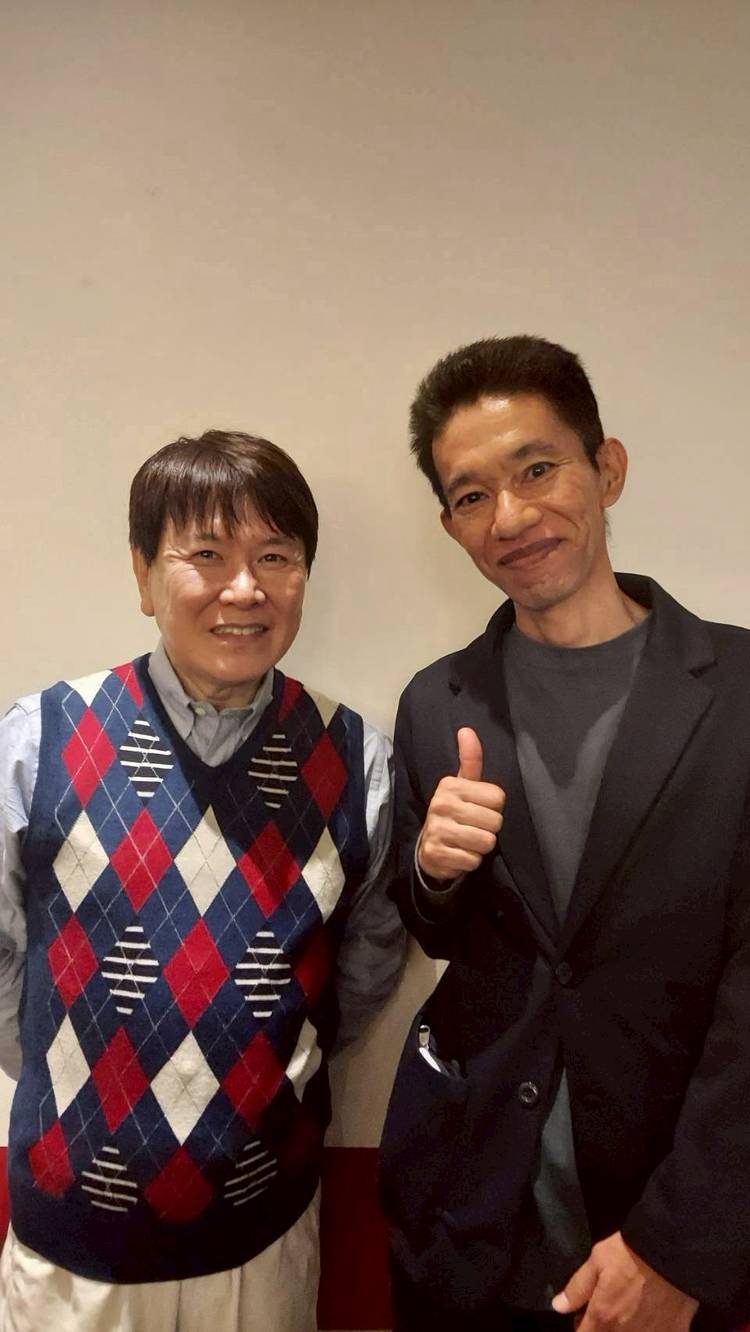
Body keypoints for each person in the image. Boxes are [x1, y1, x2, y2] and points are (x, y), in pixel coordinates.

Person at [379, 335, 750, 1332]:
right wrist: (433, 870)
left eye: (537, 469)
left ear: (607, 469)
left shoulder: (739, 692)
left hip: (662, 1232)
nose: (509, 517)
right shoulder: (436, 702)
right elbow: (439, 933)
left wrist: (679, 1244)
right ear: (451, 524)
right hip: (468, 1224)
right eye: (471, 495)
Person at [0, 429, 403, 1332]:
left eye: (276, 557)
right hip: (74, 1252)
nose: (245, 588)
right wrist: (89, 1092)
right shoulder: (38, 739)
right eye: (207, 555)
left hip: (265, 1235)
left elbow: (367, 965)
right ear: (143, 575)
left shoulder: (357, 759)